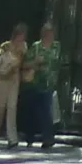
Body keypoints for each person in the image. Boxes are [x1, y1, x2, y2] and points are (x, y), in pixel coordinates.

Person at [18, 21, 61, 151]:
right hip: (35, 83)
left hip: (49, 84)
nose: (50, 36)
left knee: (46, 111)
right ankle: (30, 137)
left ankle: (48, 138)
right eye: (48, 33)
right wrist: (36, 63)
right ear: (43, 34)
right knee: (34, 111)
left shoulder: (56, 47)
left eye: (52, 33)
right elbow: (25, 64)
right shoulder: (36, 47)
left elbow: (58, 63)